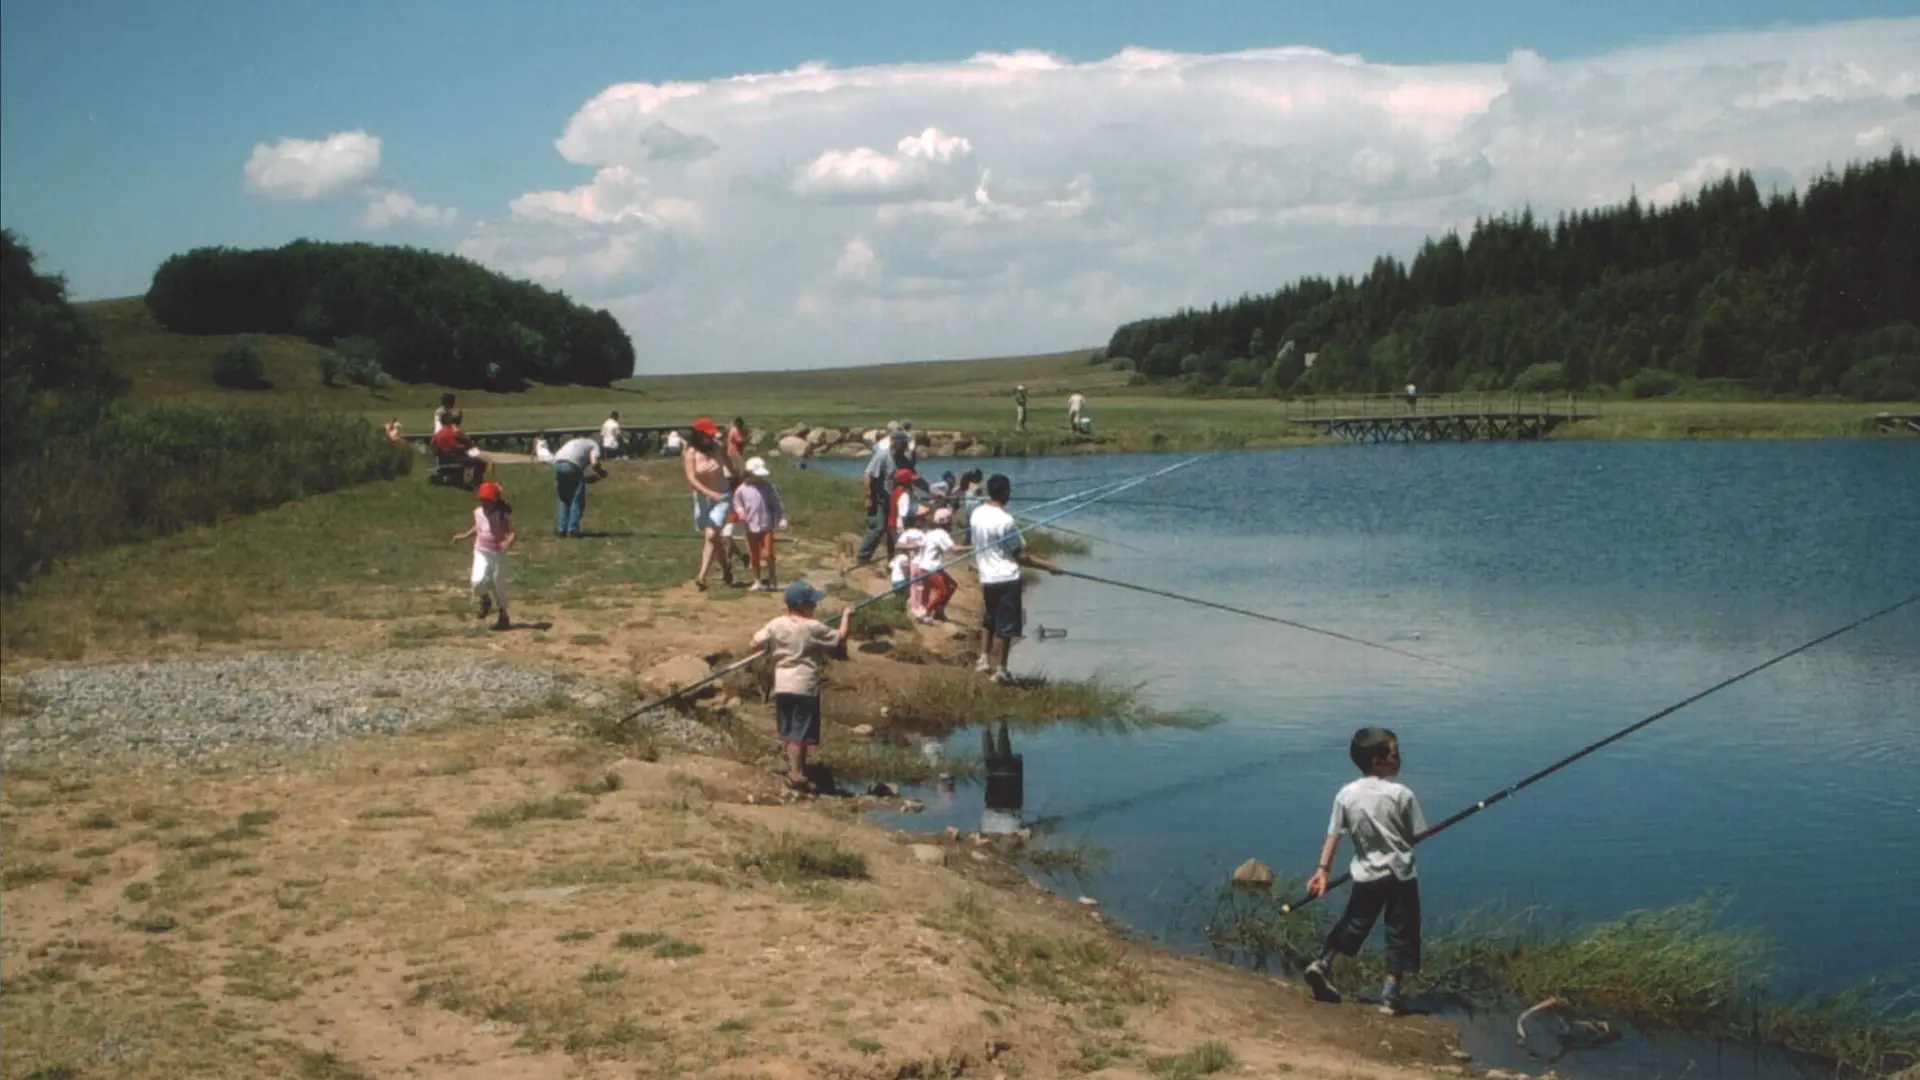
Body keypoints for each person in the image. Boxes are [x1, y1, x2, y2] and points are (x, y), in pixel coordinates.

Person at [1302, 726, 1429, 1017]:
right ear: (1378, 761)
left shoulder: (1346, 794)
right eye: (1395, 755)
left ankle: (1322, 963)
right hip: (1401, 876)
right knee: (1401, 931)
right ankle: (1389, 993)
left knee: (1353, 923)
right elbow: (1418, 834)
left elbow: (1334, 834)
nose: (1400, 760)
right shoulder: (1401, 794)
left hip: (1366, 875)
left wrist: (1322, 870)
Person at [752, 581, 852, 792]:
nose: (815, 608)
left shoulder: (776, 623)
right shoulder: (813, 626)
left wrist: (774, 646)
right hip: (804, 685)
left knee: (789, 730)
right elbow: (840, 638)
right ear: (802, 605)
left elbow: (756, 642)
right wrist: (846, 616)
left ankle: (798, 769)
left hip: (782, 684)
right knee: (800, 732)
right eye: (812, 604)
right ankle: (796, 774)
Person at [969, 474, 1062, 684]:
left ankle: (983, 659)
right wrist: (1049, 567)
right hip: (1006, 578)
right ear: (1006, 493)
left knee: (989, 618)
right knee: (1006, 626)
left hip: (987, 577)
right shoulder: (1005, 520)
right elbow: (1020, 556)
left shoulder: (976, 513)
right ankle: (1001, 670)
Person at [452, 481, 515, 631]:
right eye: (483, 500)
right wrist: (464, 536)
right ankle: (485, 599)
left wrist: (508, 542)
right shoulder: (478, 512)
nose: (485, 504)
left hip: (497, 554)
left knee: (498, 584)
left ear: (495, 501)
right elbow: (478, 527)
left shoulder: (500, 515)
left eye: (489, 501)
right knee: (477, 581)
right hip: (481, 551)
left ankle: (503, 613)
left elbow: (511, 532)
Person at [684, 417, 734, 589]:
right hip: (703, 498)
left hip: (723, 496)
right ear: (698, 435)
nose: (710, 438)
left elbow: (729, 463)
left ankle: (701, 577)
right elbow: (691, 478)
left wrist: (738, 477)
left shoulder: (717, 447)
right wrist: (708, 493)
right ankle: (726, 567)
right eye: (707, 435)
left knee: (711, 535)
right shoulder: (691, 453)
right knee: (715, 537)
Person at [734, 456, 789, 592]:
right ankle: (757, 580)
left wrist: (781, 518)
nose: (759, 478)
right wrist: (740, 511)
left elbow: (777, 504)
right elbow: (737, 503)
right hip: (750, 526)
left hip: (766, 525)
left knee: (768, 553)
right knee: (754, 554)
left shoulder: (768, 487)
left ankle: (772, 575)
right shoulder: (742, 489)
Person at [855, 430, 909, 565]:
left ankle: (892, 559)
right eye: (904, 443)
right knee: (878, 527)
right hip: (878, 497)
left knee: (893, 529)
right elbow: (868, 476)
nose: (906, 446)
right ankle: (863, 558)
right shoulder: (882, 456)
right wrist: (869, 497)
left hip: (893, 500)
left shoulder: (903, 460)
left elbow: (914, 477)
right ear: (896, 443)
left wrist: (930, 490)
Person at [913, 507, 962, 623]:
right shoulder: (942, 534)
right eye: (950, 521)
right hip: (930, 569)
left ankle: (939, 611)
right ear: (946, 522)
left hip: (925, 568)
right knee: (943, 592)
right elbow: (955, 550)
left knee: (952, 585)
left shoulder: (931, 533)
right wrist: (973, 547)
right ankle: (925, 613)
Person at [551, 434, 606, 538]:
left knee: (564, 498)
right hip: (573, 464)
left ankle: (561, 529)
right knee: (577, 499)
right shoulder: (594, 445)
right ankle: (573, 529)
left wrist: (586, 480)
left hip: (558, 463)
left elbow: (574, 477)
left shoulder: (576, 442)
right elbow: (594, 463)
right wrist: (602, 473)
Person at [430, 422, 487, 488]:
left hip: (443, 458)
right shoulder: (451, 432)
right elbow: (456, 447)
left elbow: (433, 444)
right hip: (452, 457)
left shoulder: (439, 433)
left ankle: (467, 481)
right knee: (480, 462)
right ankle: (475, 483)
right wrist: (466, 446)